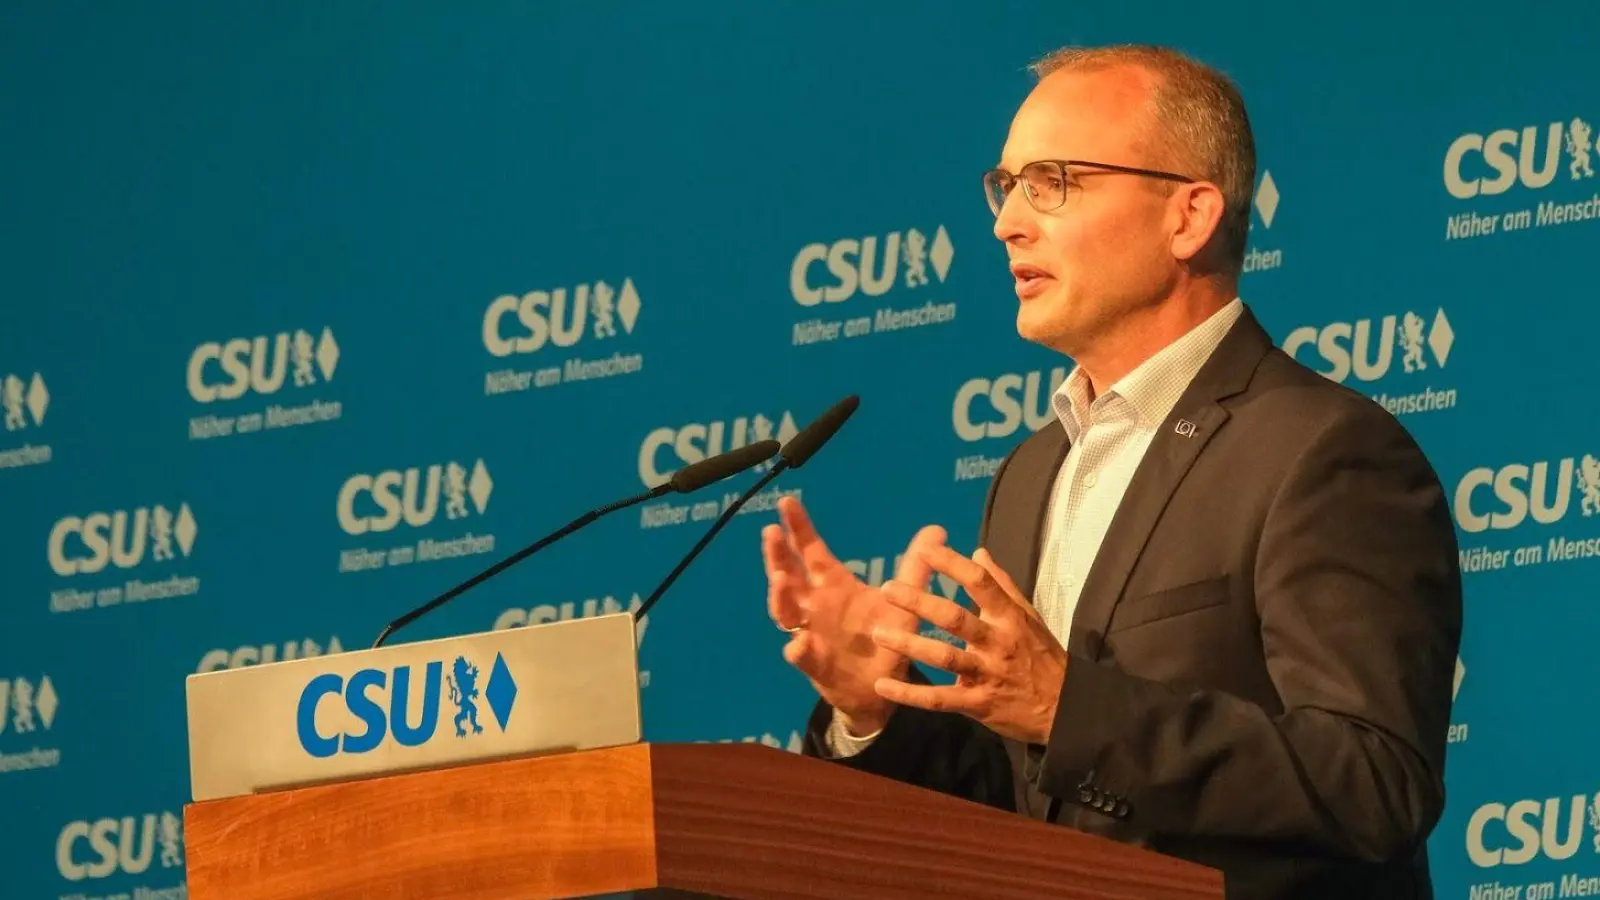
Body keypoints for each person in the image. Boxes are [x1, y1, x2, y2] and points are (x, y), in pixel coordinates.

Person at [760, 44, 1462, 900]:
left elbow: (1374, 782)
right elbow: (1027, 804)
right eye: (1006, 186)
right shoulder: (1030, 472)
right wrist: (873, 711)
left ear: (1189, 217)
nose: (1008, 223)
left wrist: (1071, 707)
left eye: (1052, 181)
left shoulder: (1321, 452)